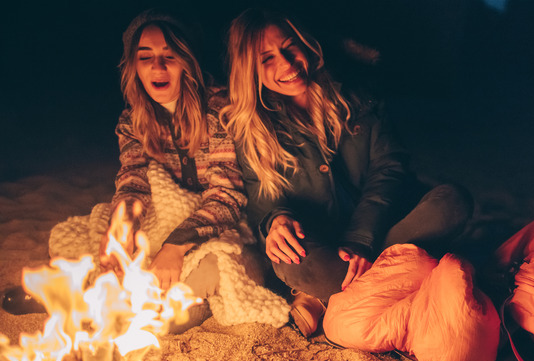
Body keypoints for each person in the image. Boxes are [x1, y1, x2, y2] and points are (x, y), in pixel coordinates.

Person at [220, 8, 473, 337]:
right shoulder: (253, 125)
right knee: (290, 260)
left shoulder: (359, 94)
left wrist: (361, 241)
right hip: (324, 243)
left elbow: (389, 168)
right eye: (266, 58)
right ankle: (403, 274)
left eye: (289, 46)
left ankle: (331, 298)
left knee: (453, 202)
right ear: (249, 69)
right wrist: (276, 219)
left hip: (384, 226)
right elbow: (261, 196)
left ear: (306, 43)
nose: (286, 64)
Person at [3, 9, 249, 332]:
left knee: (204, 280)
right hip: (168, 217)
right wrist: (122, 231)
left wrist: (176, 246)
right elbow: (133, 181)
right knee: (103, 240)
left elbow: (227, 194)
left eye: (169, 56)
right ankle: (70, 294)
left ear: (187, 61)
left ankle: (136, 309)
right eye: (145, 57)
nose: (156, 67)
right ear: (133, 65)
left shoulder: (220, 110)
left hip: (223, 224)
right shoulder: (134, 120)